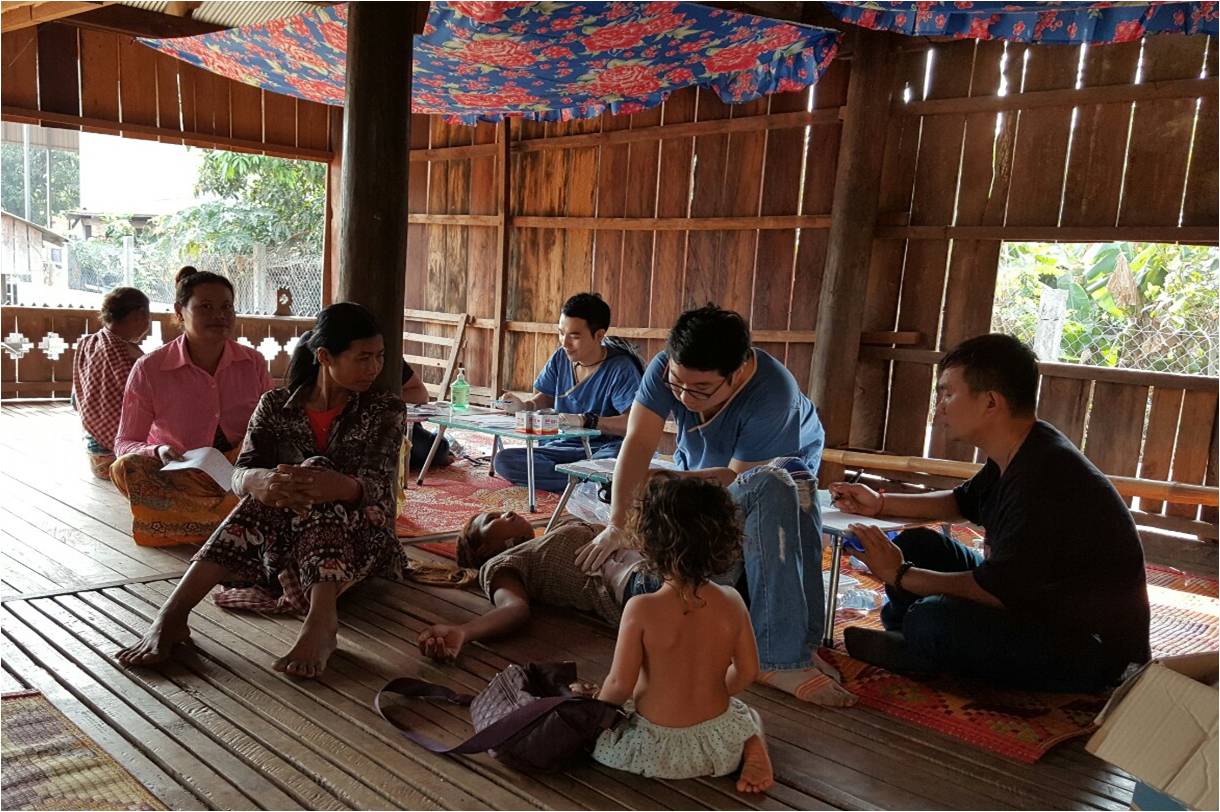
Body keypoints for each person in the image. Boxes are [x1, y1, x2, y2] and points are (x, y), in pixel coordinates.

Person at [831, 333, 1151, 692]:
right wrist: (881, 504)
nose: (940, 407)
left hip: (1092, 648)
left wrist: (900, 574)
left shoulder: (1044, 477)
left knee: (933, 617)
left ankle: (920, 646)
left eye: (948, 393)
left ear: (990, 402)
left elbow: (996, 591)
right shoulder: (1024, 448)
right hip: (1035, 603)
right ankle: (917, 639)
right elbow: (960, 502)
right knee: (917, 543)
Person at [575, 305, 851, 705]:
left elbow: (735, 484)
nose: (685, 397)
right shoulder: (666, 369)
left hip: (757, 489)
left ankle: (785, 654)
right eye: (677, 384)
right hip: (705, 476)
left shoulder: (774, 396)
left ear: (737, 373)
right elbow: (637, 443)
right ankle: (787, 649)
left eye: (700, 389)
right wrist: (617, 523)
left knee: (785, 487)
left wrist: (664, 481)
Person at [117, 302, 409, 678]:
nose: (374, 368)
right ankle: (172, 615)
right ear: (324, 356)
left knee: (313, 475)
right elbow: (240, 474)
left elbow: (379, 493)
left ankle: (321, 624)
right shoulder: (275, 406)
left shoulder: (384, 409)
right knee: (280, 487)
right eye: (363, 358)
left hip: (362, 542)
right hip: (284, 544)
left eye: (379, 357)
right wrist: (256, 481)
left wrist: (338, 486)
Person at [588, 476, 774, 793]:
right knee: (747, 714)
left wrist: (591, 714)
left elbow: (620, 684)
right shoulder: (732, 601)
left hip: (653, 748)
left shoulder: (641, 608)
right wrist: (714, 694)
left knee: (608, 709)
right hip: (716, 747)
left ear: (647, 542)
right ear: (724, 542)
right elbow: (748, 671)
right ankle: (754, 749)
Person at [110, 267, 272, 546]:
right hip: (181, 473)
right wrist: (158, 450)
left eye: (226, 307)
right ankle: (235, 523)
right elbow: (125, 442)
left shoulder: (253, 362)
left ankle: (193, 524)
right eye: (205, 307)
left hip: (240, 470)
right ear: (179, 311)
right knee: (127, 467)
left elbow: (274, 426)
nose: (219, 315)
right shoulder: (150, 368)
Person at [494, 292, 643, 492]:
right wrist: (525, 406)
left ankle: (583, 481)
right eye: (561, 333)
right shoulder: (561, 357)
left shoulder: (621, 368)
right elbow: (545, 396)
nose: (564, 343)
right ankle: (587, 484)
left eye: (574, 336)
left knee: (614, 463)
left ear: (599, 335)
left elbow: (632, 424)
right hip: (560, 445)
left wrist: (586, 420)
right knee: (504, 460)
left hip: (602, 449)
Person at [72, 287, 150, 478]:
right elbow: (144, 399)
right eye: (147, 317)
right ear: (138, 316)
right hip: (117, 459)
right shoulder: (124, 353)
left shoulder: (89, 343)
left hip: (95, 453)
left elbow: (75, 399)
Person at [400, 359, 456, 470]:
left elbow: (421, 394)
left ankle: (439, 437)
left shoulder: (390, 358)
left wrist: (385, 399)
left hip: (396, 424)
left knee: (437, 451)